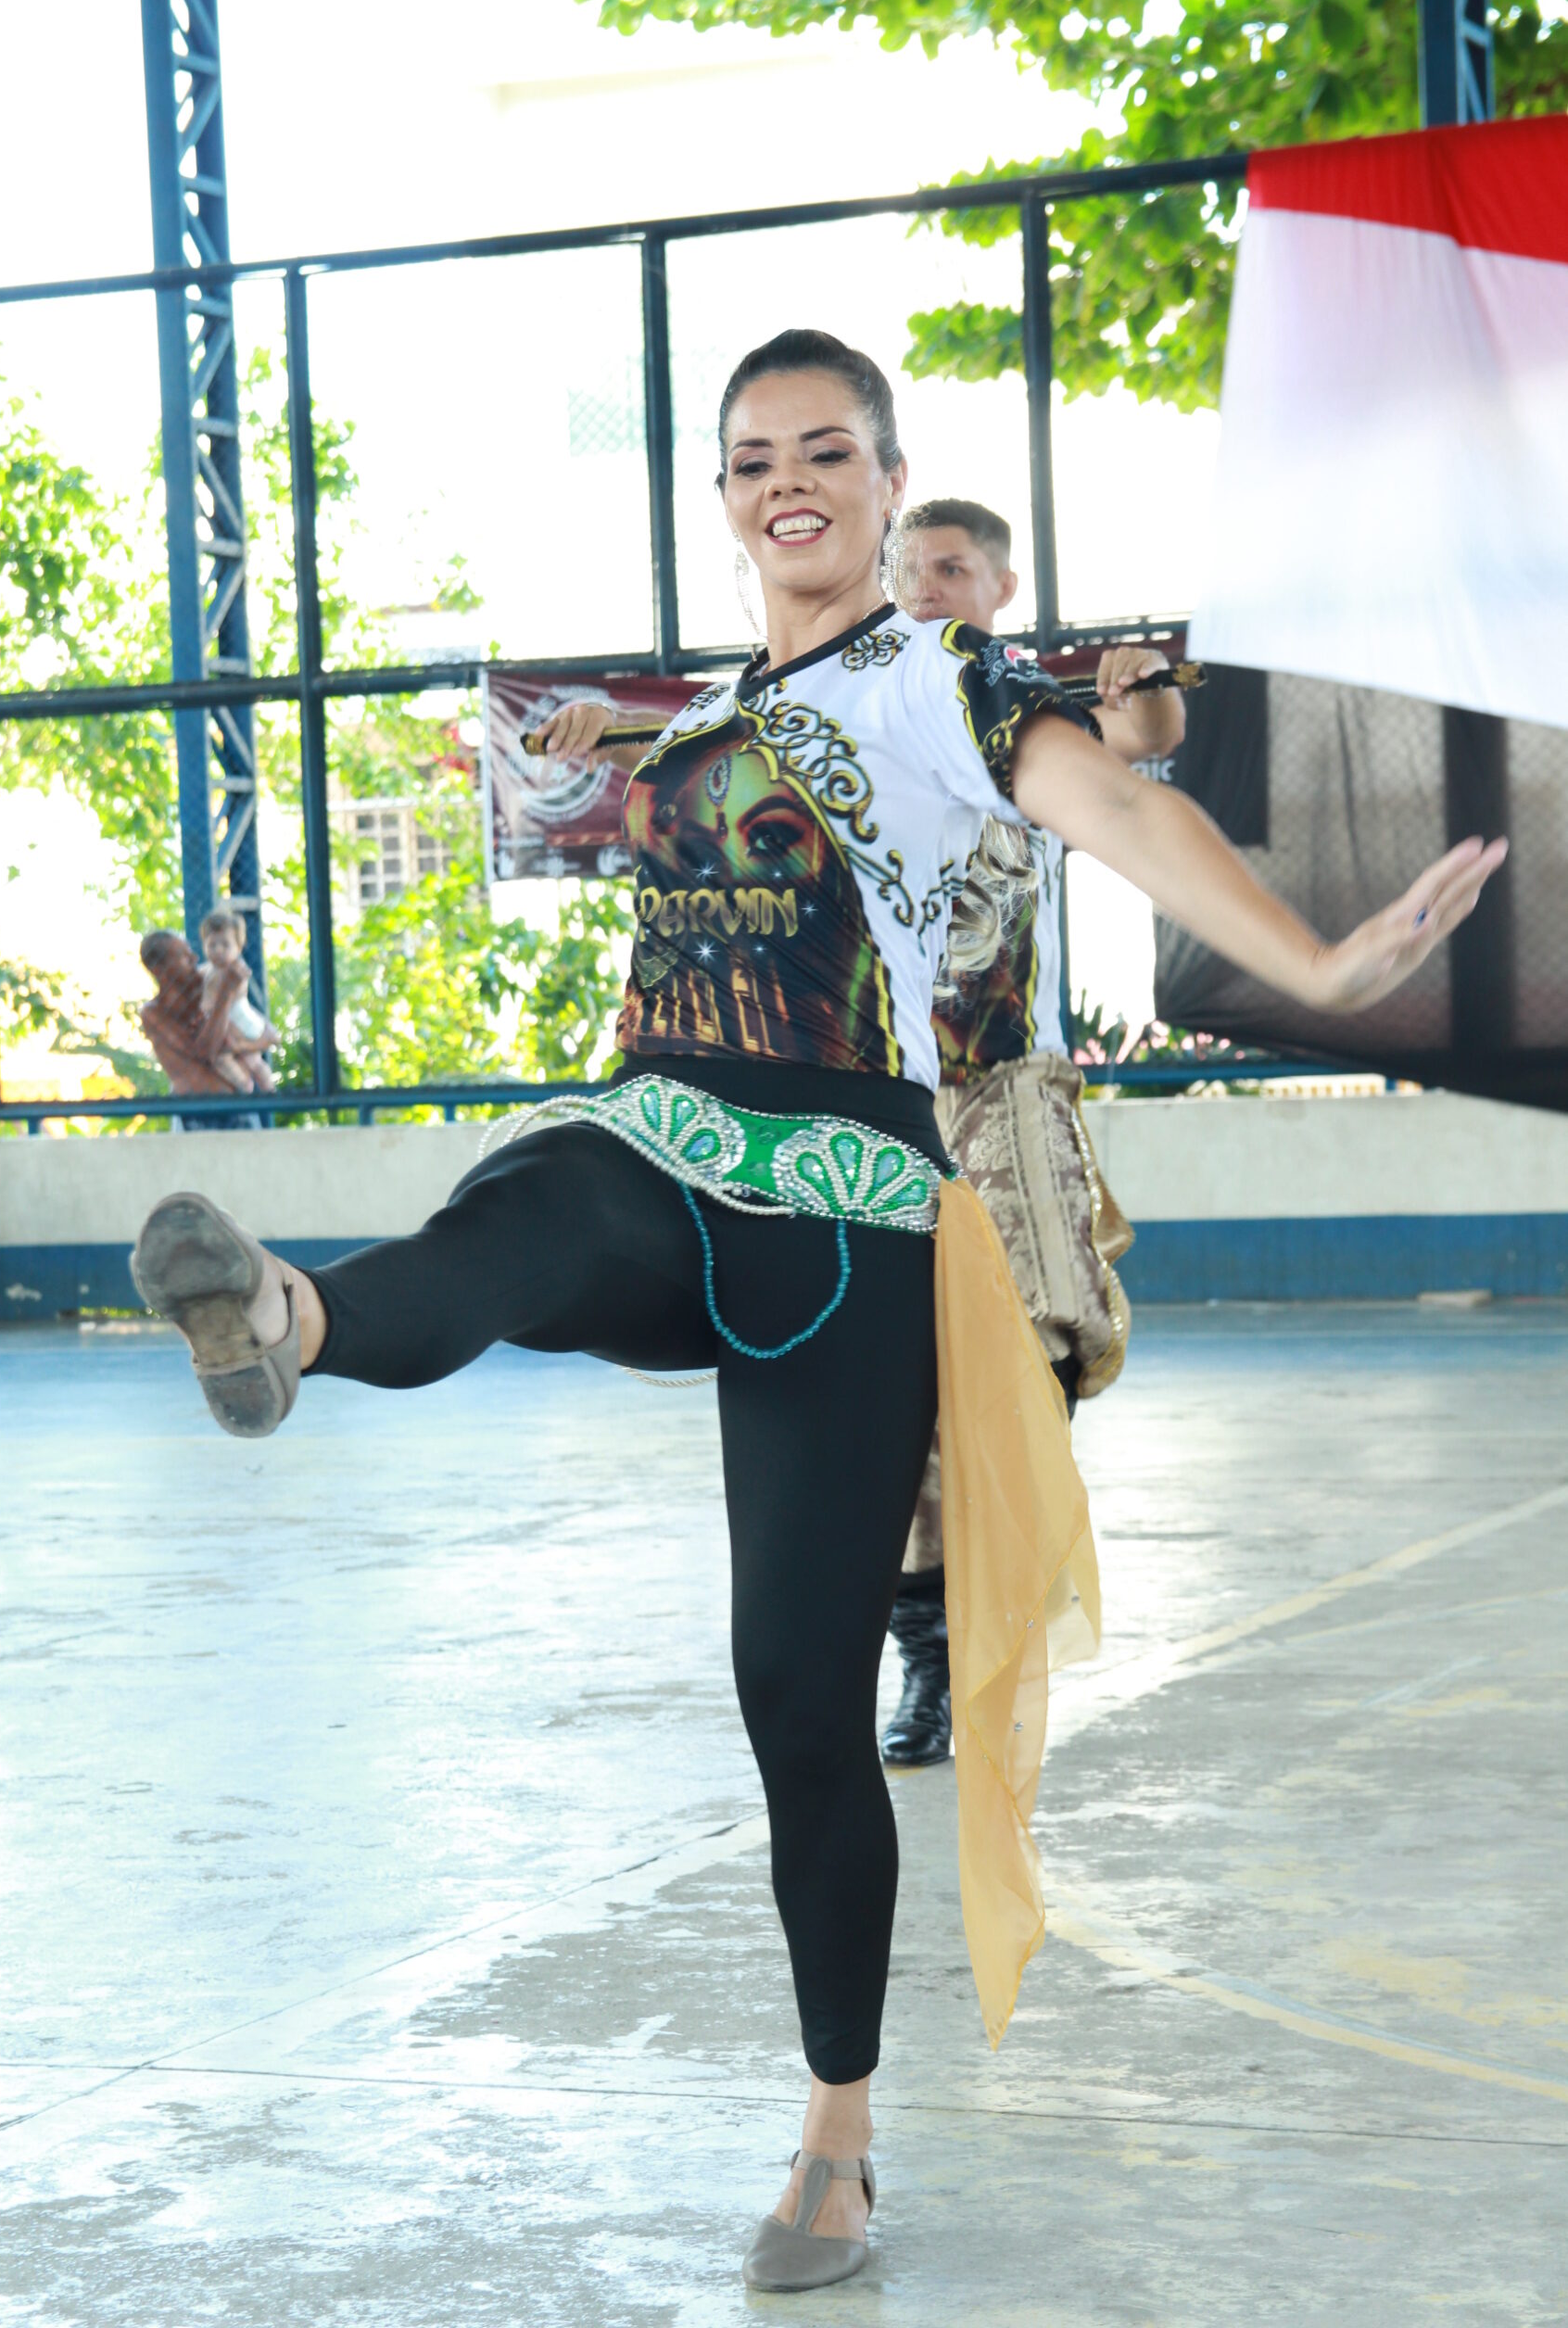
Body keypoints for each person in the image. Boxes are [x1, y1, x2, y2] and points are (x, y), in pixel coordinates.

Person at [128, 331, 1502, 2296]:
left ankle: (837, 2139)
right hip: (662, 1140)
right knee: (527, 1210)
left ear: (883, 479)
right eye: (755, 455)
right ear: (721, 495)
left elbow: (1115, 809)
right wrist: (557, 758)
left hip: (849, 1210)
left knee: (795, 1696)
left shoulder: (945, 681)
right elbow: (574, 802)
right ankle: (281, 1318)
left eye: (828, 451)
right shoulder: (696, 723)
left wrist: (1315, 959)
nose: (791, 480)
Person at [880, 498, 1182, 1767]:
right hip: (881, 1091)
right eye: (906, 568)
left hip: (1005, 1081)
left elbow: (1144, 741)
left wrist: (1139, 688)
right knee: (891, 1381)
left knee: (1044, 1329)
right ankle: (929, 1654)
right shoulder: (852, 709)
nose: (922, 586)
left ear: (1000, 587)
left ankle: (1004, 1594)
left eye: (949, 568)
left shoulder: (1022, 714)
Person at [137, 930, 263, 1131]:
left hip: (238, 1106)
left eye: (191, 953)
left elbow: (264, 1036)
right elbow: (204, 1052)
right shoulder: (153, 1013)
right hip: (198, 1114)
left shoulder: (208, 993)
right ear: (159, 970)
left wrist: (237, 1042)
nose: (194, 959)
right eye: (184, 957)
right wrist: (225, 995)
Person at [198, 906, 277, 1095]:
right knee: (253, 1062)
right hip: (231, 1023)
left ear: (239, 947)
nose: (218, 950)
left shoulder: (235, 971)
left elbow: (210, 1004)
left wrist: (204, 1005)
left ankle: (247, 1087)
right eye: (212, 945)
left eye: (225, 945)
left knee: (228, 1059)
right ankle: (263, 1089)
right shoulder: (209, 969)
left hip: (242, 1026)